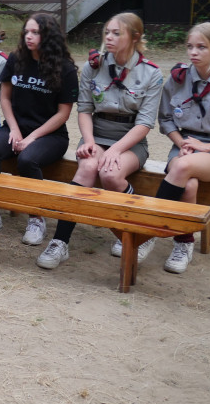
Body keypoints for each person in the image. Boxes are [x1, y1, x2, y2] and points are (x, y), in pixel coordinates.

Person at [37, 14, 164, 270]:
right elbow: (84, 109)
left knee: (111, 174)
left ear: (135, 37)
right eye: (107, 31)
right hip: (96, 134)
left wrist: (115, 150)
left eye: (117, 33)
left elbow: (145, 123)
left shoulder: (151, 73)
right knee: (86, 167)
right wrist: (90, 142)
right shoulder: (93, 66)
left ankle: (138, 234)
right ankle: (60, 242)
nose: (109, 37)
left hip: (129, 140)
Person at [0, 13, 77, 245]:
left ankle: (36, 217)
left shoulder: (64, 68)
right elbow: (5, 98)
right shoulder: (16, 59)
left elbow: (63, 114)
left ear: (49, 36)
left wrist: (32, 137)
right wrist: (14, 130)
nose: (29, 36)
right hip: (16, 128)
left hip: (51, 135)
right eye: (27, 32)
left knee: (27, 160)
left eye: (36, 32)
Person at [154, 22, 210, 274]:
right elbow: (166, 118)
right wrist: (182, 143)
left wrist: (206, 147)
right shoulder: (178, 79)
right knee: (187, 181)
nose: (193, 52)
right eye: (190, 46)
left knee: (183, 166)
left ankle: (147, 229)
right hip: (183, 146)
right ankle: (184, 243)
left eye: (201, 47)